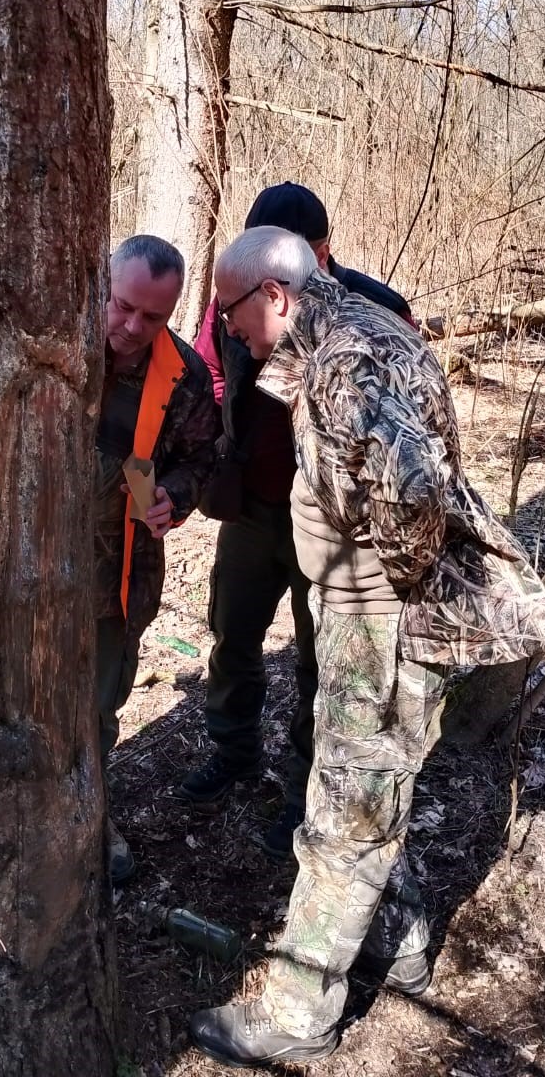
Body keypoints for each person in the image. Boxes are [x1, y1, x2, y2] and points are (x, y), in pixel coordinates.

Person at [189, 227, 545, 1066]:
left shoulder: (345, 359)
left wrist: (389, 584)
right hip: (367, 611)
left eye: (232, 312)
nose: (229, 329)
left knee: (344, 814)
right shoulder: (358, 329)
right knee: (368, 786)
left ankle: (297, 1015)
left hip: (377, 621)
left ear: (274, 295)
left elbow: (414, 488)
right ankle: (399, 942)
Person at [178, 183, 412, 862]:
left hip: (338, 528)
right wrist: (225, 425)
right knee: (232, 634)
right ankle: (233, 750)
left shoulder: (373, 310)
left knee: (321, 662)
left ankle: (307, 789)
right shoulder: (234, 301)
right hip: (253, 509)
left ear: (322, 252)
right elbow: (208, 369)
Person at [96, 235, 218, 883]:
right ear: (103, 286)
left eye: (153, 317)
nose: (132, 327)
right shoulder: (51, 340)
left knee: (97, 707)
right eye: (123, 306)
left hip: (120, 571)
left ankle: (89, 820)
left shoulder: (183, 375)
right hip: (28, 566)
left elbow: (201, 458)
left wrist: (172, 494)